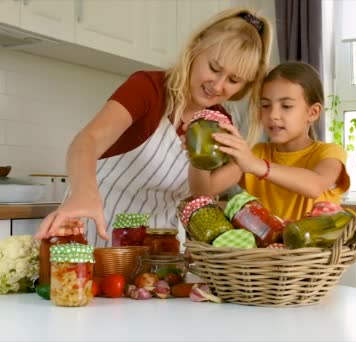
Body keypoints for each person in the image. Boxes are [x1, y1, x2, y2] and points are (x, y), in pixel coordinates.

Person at [35, 7, 273, 245]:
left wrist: (196, 158)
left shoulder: (220, 124)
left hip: (161, 249)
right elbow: (87, 140)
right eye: (214, 68)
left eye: (233, 80)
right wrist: (81, 193)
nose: (218, 85)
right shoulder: (148, 89)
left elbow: (202, 193)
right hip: (99, 231)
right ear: (195, 48)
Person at [189, 61, 350, 221]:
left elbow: (315, 186)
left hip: (315, 247)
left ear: (313, 113)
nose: (273, 115)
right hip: (264, 248)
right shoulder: (257, 153)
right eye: (265, 105)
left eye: (286, 106)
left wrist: (257, 165)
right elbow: (204, 191)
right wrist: (198, 154)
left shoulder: (330, 152)